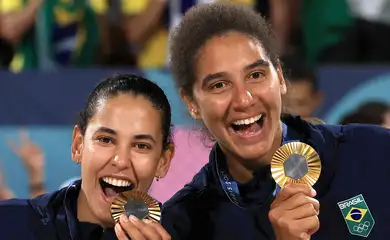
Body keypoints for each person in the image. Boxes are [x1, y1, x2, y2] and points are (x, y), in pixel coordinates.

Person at [162, 3, 390, 239]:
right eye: (219, 85)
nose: (244, 99)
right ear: (191, 103)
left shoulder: (374, 152)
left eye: (255, 75)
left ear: (280, 77)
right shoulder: (185, 225)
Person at [0, 74, 174, 240]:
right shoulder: (11, 224)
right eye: (106, 140)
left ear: (163, 161)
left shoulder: (183, 231)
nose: (120, 161)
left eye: (141, 146)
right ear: (78, 145)